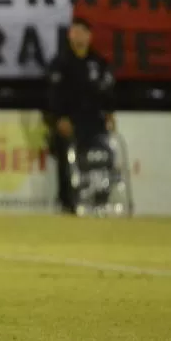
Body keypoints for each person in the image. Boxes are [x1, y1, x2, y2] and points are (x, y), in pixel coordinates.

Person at [46, 17, 115, 214]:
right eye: (75, 32)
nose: (79, 36)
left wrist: (109, 113)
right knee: (63, 146)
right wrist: (59, 118)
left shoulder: (98, 63)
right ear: (70, 35)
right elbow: (54, 95)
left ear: (90, 36)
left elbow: (107, 92)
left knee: (105, 150)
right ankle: (68, 201)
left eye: (83, 32)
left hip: (94, 122)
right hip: (69, 123)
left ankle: (101, 196)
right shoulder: (60, 63)